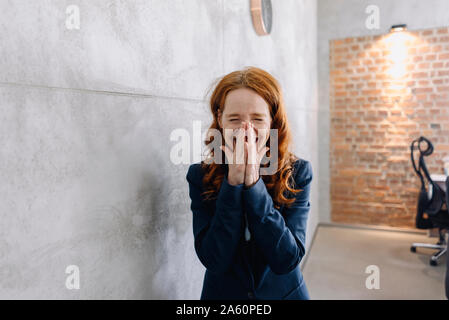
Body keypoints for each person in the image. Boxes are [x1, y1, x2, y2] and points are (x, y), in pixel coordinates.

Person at [186, 66, 313, 300]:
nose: (246, 130)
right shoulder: (199, 176)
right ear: (220, 119)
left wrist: (254, 186)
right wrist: (232, 184)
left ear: (272, 122)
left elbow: (287, 259)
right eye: (235, 119)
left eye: (257, 119)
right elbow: (214, 259)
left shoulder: (298, 172)